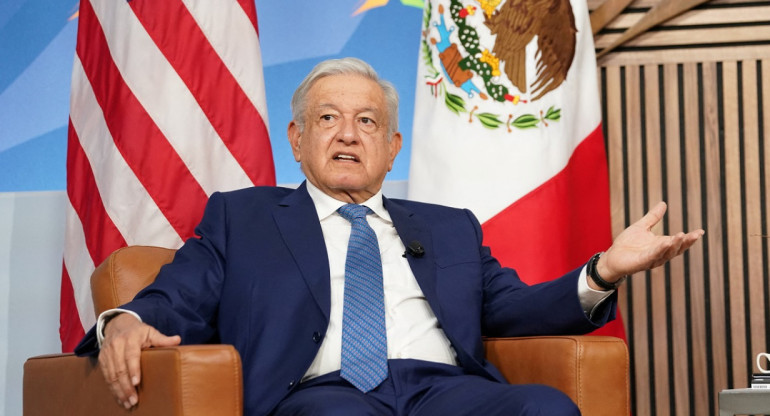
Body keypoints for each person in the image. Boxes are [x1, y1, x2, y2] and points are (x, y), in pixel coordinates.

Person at [76, 57, 704, 415]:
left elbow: (510, 309)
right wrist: (124, 322)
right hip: (321, 393)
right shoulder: (242, 219)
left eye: (367, 121)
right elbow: (176, 296)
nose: (348, 134)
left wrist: (604, 272)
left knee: (545, 409)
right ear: (297, 142)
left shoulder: (449, 227)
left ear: (392, 147)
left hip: (442, 388)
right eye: (328, 119)